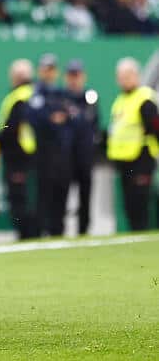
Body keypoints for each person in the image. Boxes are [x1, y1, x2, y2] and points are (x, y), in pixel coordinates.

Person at [107, 58, 159, 231]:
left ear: (137, 76)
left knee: (140, 203)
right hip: (124, 161)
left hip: (141, 159)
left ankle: (142, 236)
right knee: (129, 204)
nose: (124, 80)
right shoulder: (120, 101)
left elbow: (156, 127)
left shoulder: (144, 99)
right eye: (121, 76)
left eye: (128, 75)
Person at [0, 59, 38, 240]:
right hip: (33, 158)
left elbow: (10, 130)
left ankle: (25, 236)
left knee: (19, 201)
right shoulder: (35, 94)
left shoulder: (18, 98)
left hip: (18, 159)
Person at [30, 53, 73, 236]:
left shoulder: (61, 93)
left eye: (52, 69)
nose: (49, 73)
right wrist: (52, 119)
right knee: (44, 195)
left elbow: (69, 117)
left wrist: (58, 118)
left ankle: (58, 231)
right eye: (46, 69)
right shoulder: (37, 93)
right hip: (44, 153)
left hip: (62, 154)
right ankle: (41, 231)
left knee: (61, 194)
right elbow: (37, 117)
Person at [63, 59, 100, 235]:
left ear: (83, 76)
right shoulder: (62, 97)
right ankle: (59, 230)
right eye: (71, 75)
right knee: (61, 195)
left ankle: (84, 230)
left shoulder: (90, 98)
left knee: (85, 195)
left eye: (77, 75)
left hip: (84, 156)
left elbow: (94, 124)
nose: (74, 79)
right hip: (66, 156)